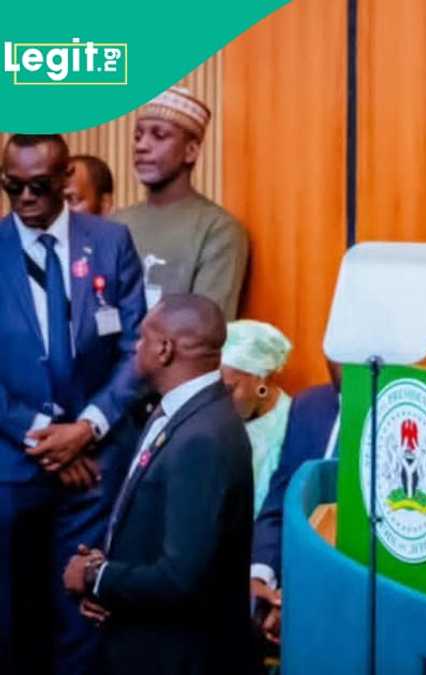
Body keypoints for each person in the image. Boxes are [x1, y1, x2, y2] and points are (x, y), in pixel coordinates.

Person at [0, 134, 145, 675]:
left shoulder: (110, 241)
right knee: (12, 619)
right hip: (13, 467)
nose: (24, 198)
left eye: (38, 186)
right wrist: (46, 436)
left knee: (82, 617)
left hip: (95, 467)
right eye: (11, 186)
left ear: (66, 179)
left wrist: (86, 428)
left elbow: (135, 348)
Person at [62, 294, 255, 675]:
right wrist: (108, 585)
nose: (136, 347)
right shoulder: (180, 412)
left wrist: (93, 576)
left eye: (142, 338)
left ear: (164, 349)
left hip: (179, 658)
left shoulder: (203, 437)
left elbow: (182, 577)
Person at [112, 86, 249, 319]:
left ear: (191, 151)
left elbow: (205, 328)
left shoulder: (218, 230)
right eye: (138, 136)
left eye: (159, 135)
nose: (141, 146)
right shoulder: (116, 223)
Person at [250, 360, 342, 648]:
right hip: (285, 593)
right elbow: (280, 501)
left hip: (349, 604)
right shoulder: (309, 406)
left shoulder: (408, 414)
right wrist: (261, 576)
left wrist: (304, 597)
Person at [220, 319, 294, 515]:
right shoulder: (214, 420)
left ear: (261, 378)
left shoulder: (291, 428)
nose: (219, 401)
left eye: (229, 389)